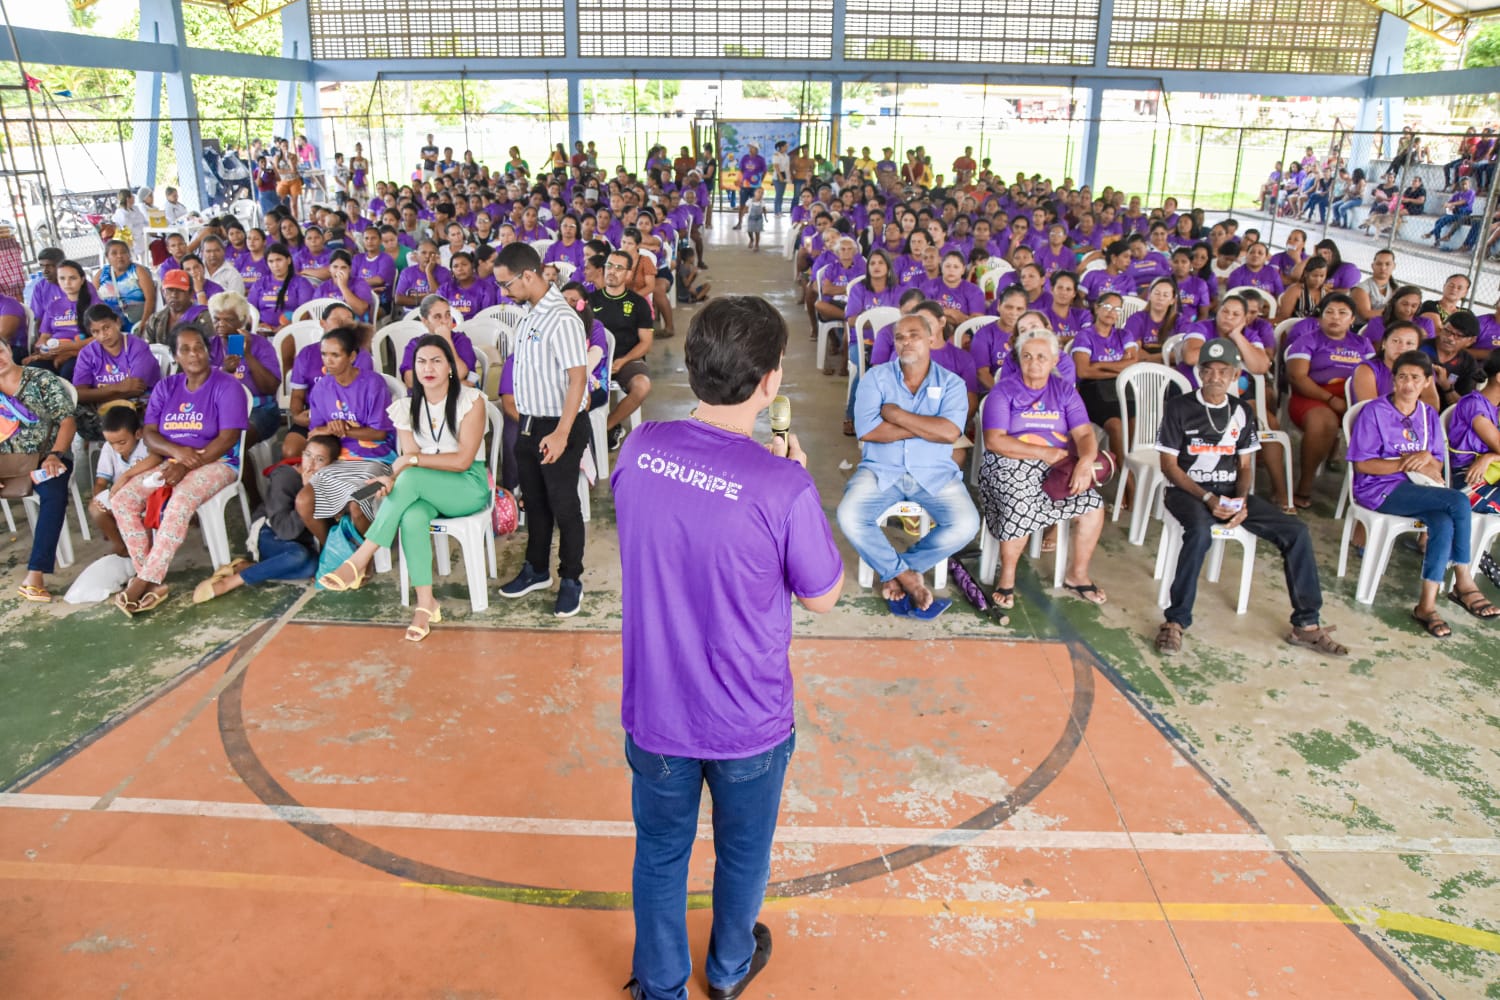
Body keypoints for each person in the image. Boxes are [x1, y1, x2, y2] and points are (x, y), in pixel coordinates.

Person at [612, 295, 842, 1000]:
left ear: (692, 366)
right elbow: (822, 594)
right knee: (742, 855)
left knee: (660, 852)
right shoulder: (783, 484)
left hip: (656, 710)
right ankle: (730, 968)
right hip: (747, 721)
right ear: (772, 380)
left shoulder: (640, 447)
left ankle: (660, 984)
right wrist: (793, 478)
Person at [1153, 338, 1345, 656]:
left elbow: (1245, 465)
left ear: (1235, 374)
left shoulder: (1241, 410)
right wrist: (1207, 499)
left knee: (1296, 531)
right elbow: (1170, 467)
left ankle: (1306, 624)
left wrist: (1241, 500)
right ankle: (1175, 622)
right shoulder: (1180, 407)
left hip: (1230, 492)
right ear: (1199, 372)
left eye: (1223, 371)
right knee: (1200, 533)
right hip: (1187, 492)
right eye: (1209, 370)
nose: (1215, 377)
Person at [318, 334, 490, 639]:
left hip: (467, 486)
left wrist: (405, 467)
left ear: (450, 366)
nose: (428, 368)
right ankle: (426, 604)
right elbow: (409, 459)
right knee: (411, 516)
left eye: (436, 360)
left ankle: (361, 558)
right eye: (421, 361)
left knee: (410, 476)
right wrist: (391, 478)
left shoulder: (471, 400)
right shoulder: (405, 407)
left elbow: (462, 461)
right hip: (425, 486)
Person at [836, 313, 980, 618]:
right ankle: (904, 574)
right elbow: (868, 430)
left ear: (931, 339)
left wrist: (896, 415)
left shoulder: (952, 384)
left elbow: (949, 433)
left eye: (914, 335)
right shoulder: (876, 377)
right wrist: (928, 427)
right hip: (881, 469)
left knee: (966, 524)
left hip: (934, 472)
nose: (906, 342)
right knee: (849, 515)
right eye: (899, 337)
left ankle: (900, 571)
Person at [1348, 350, 1498, 637]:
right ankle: (1463, 580)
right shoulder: (1375, 411)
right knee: (1457, 500)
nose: (1407, 383)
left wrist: (1427, 461)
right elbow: (1363, 463)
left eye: (1415, 378)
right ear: (1393, 380)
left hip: (1416, 487)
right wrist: (1406, 461)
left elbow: (1437, 463)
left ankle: (1426, 605)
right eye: (1402, 376)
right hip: (1378, 489)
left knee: (1442, 521)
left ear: (1427, 382)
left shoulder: (1428, 415)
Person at [111, 325, 248, 615]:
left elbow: (228, 438)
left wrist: (185, 466)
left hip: (218, 462)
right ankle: (150, 577)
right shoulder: (167, 387)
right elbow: (149, 433)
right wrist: (176, 455)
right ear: (175, 355)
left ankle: (144, 580)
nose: (194, 353)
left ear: (208, 350)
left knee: (180, 499)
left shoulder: (226, 386)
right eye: (185, 349)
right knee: (122, 500)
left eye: (198, 346)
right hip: (172, 461)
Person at [979, 325, 1107, 611]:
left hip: (1056, 468)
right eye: (1027, 356)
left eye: (1041, 357)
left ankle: (1077, 575)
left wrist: (1086, 461)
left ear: (1053, 360)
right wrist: (1043, 452)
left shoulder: (1064, 392)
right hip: (1007, 464)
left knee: (1093, 505)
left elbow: (1085, 434)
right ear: (1018, 359)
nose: (1034, 363)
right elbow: (995, 441)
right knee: (1021, 499)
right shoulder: (1004, 391)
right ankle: (1007, 576)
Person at [495, 243, 589, 617]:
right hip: (531, 424)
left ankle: (571, 578)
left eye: (507, 284)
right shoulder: (530, 313)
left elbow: (577, 379)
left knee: (563, 504)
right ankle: (536, 569)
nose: (504, 292)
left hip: (558, 425)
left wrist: (563, 433)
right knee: (533, 503)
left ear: (528, 276)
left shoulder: (562, 319)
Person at [194, 433, 335, 605]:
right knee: (298, 556)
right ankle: (233, 581)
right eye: (307, 455)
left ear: (331, 465)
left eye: (320, 460)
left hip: (300, 542)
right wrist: (306, 494)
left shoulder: (330, 483)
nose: (310, 465)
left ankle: (250, 567)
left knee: (312, 566)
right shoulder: (285, 477)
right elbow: (285, 531)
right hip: (270, 533)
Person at [0, 337, 80, 603]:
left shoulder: (40, 379)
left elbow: (67, 420)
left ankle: (35, 575)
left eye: (0, 351)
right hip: (6, 464)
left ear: (9, 350)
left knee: (53, 493)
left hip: (46, 457)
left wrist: (55, 455)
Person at [1285, 293, 1374, 509]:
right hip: (1313, 396)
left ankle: (1370, 492)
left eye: (1343, 313)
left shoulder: (1363, 343)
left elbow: (1375, 374)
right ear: (1320, 316)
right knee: (1323, 421)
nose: (1335, 317)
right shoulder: (1308, 340)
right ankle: (1305, 485)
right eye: (1329, 312)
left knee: (1377, 424)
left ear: (1352, 319)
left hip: (1353, 398)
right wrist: (1330, 398)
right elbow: (1297, 377)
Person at [589, 250, 654, 451]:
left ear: (627, 274)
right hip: (593, 360)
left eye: (619, 268)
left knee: (642, 386)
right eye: (609, 266)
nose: (612, 271)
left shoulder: (638, 303)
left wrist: (623, 360)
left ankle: (605, 425)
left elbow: (645, 342)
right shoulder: (591, 300)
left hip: (627, 360)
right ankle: (583, 427)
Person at [70, 304, 160, 441]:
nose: (103, 335)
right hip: (103, 410)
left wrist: (94, 396)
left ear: (117, 322)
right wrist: (119, 387)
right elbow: (79, 393)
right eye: (95, 332)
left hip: (136, 407)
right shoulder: (87, 353)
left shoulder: (137, 346)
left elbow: (136, 388)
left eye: (106, 328)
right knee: (75, 420)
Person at [88, 403, 157, 559]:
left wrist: (126, 477)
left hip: (145, 497)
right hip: (119, 496)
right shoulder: (108, 448)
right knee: (95, 509)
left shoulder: (146, 446)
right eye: (112, 443)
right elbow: (101, 482)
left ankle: (145, 552)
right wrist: (98, 498)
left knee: (142, 516)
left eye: (122, 442)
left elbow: (156, 459)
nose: (117, 448)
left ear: (138, 434)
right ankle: (121, 545)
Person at [27, 259, 99, 380]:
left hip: (82, 352)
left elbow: (99, 337)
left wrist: (69, 349)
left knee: (68, 371)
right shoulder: (53, 305)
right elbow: (44, 337)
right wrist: (44, 350)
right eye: (62, 278)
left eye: (72, 278)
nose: (67, 283)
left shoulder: (94, 305)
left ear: (82, 280)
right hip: (55, 351)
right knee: (34, 370)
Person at [1422, 309, 1483, 411]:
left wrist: (1447, 386)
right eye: (1447, 331)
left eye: (1458, 336)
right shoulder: (1420, 347)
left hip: (1442, 417)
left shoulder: (1469, 364)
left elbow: (1462, 407)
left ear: (1471, 341)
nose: (1450, 338)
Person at [93, 238, 155, 331]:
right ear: (107, 257)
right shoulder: (101, 275)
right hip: (109, 326)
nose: (119, 256)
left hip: (136, 324)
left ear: (129, 255)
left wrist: (144, 323)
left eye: (123, 252)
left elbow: (150, 299)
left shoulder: (138, 271)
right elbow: (93, 301)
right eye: (114, 253)